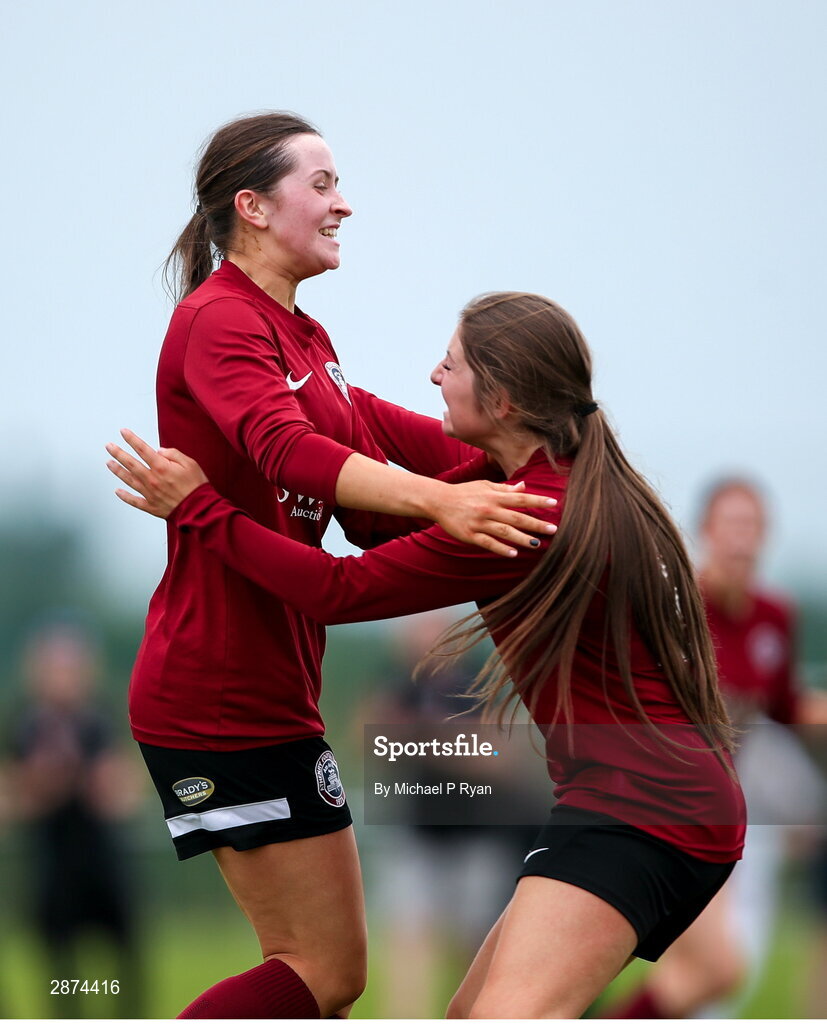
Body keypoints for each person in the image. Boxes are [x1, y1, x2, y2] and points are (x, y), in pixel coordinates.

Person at [108, 290, 747, 1019]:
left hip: (649, 811)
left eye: (450, 365)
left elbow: (337, 591)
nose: (433, 375)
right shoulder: (530, 472)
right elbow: (382, 462)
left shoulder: (522, 515)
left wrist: (198, 510)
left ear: (501, 399)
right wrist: (295, 371)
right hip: (627, 803)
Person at [110, 112, 554, 1020]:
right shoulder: (218, 322)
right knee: (317, 970)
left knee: (327, 976)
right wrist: (444, 502)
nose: (343, 203)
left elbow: (377, 445)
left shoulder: (300, 336)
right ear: (253, 207)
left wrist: (524, 459)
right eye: (321, 185)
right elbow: (287, 451)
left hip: (273, 684)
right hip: (217, 690)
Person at [601, 478, 827, 1018]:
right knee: (717, 971)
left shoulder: (773, 616)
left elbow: (782, 705)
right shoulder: (678, 610)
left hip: (719, 813)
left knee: (713, 977)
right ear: (704, 532)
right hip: (661, 805)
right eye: (731, 526)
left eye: (752, 527)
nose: (741, 541)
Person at [4, 618, 145, 1017]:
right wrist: (42, 784)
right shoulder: (26, 725)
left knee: (124, 965)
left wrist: (88, 780)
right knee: (60, 972)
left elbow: (121, 795)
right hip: (52, 863)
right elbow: (15, 797)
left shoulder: (99, 721)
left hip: (103, 862)